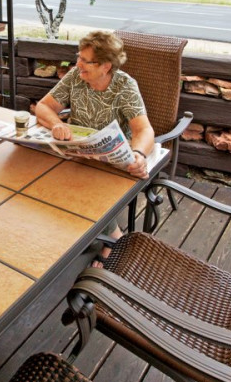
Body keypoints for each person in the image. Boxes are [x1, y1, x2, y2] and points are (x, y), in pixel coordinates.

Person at [34, 30, 155, 265]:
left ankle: (113, 237)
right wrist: (57, 124)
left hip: (111, 158)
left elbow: (144, 130)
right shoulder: (75, 77)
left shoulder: (125, 86)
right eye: (78, 57)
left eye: (85, 60)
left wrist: (139, 154)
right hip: (77, 152)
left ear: (106, 66)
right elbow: (43, 107)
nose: (77, 63)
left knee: (84, 183)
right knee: (41, 175)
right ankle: (84, 231)